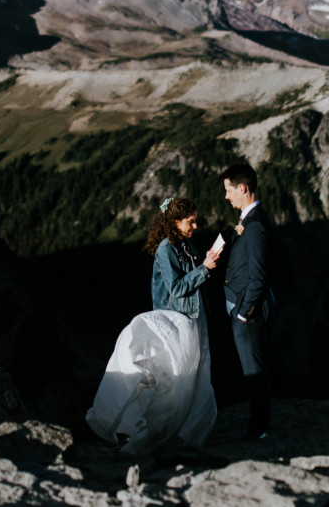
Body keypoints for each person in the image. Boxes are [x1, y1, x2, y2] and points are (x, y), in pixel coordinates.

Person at [86, 196, 223, 455]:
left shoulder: (184, 244)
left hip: (193, 319)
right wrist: (204, 268)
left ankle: (184, 433)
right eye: (190, 222)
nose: (195, 226)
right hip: (176, 321)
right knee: (175, 380)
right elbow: (177, 288)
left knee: (193, 378)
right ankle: (156, 432)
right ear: (174, 222)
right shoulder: (166, 249)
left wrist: (204, 261)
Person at [221, 162, 272, 440]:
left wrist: (244, 314)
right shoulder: (249, 221)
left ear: (242, 188)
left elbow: (259, 278)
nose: (226, 196)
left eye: (229, 190)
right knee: (251, 370)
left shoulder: (255, 227)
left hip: (247, 313)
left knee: (254, 372)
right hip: (241, 307)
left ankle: (259, 429)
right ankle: (258, 425)